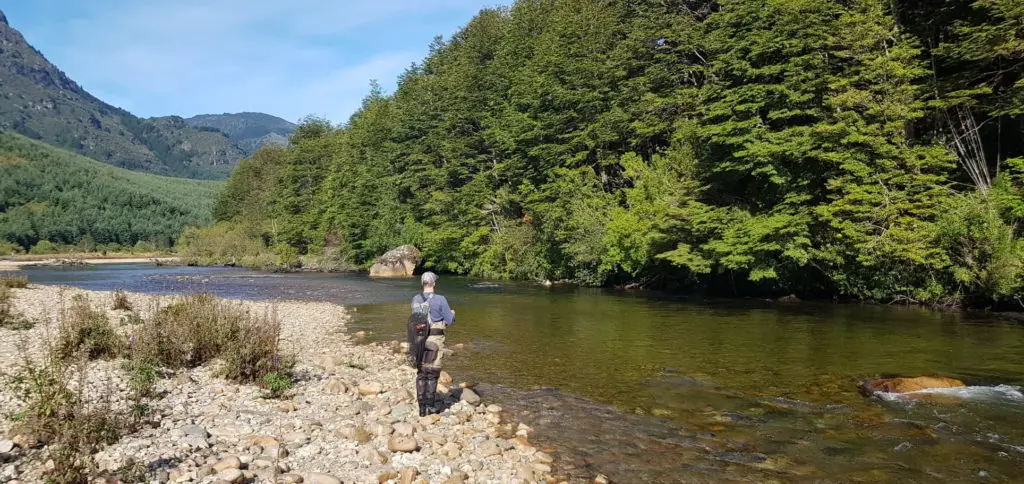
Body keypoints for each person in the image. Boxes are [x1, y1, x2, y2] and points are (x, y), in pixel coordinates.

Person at [411, 271, 455, 416]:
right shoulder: (441, 299)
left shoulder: (416, 299)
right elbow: (449, 321)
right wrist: (452, 314)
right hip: (435, 340)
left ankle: (421, 409)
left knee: (421, 373)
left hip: (419, 340)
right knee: (432, 373)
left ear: (422, 283)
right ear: (434, 283)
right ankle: (430, 406)